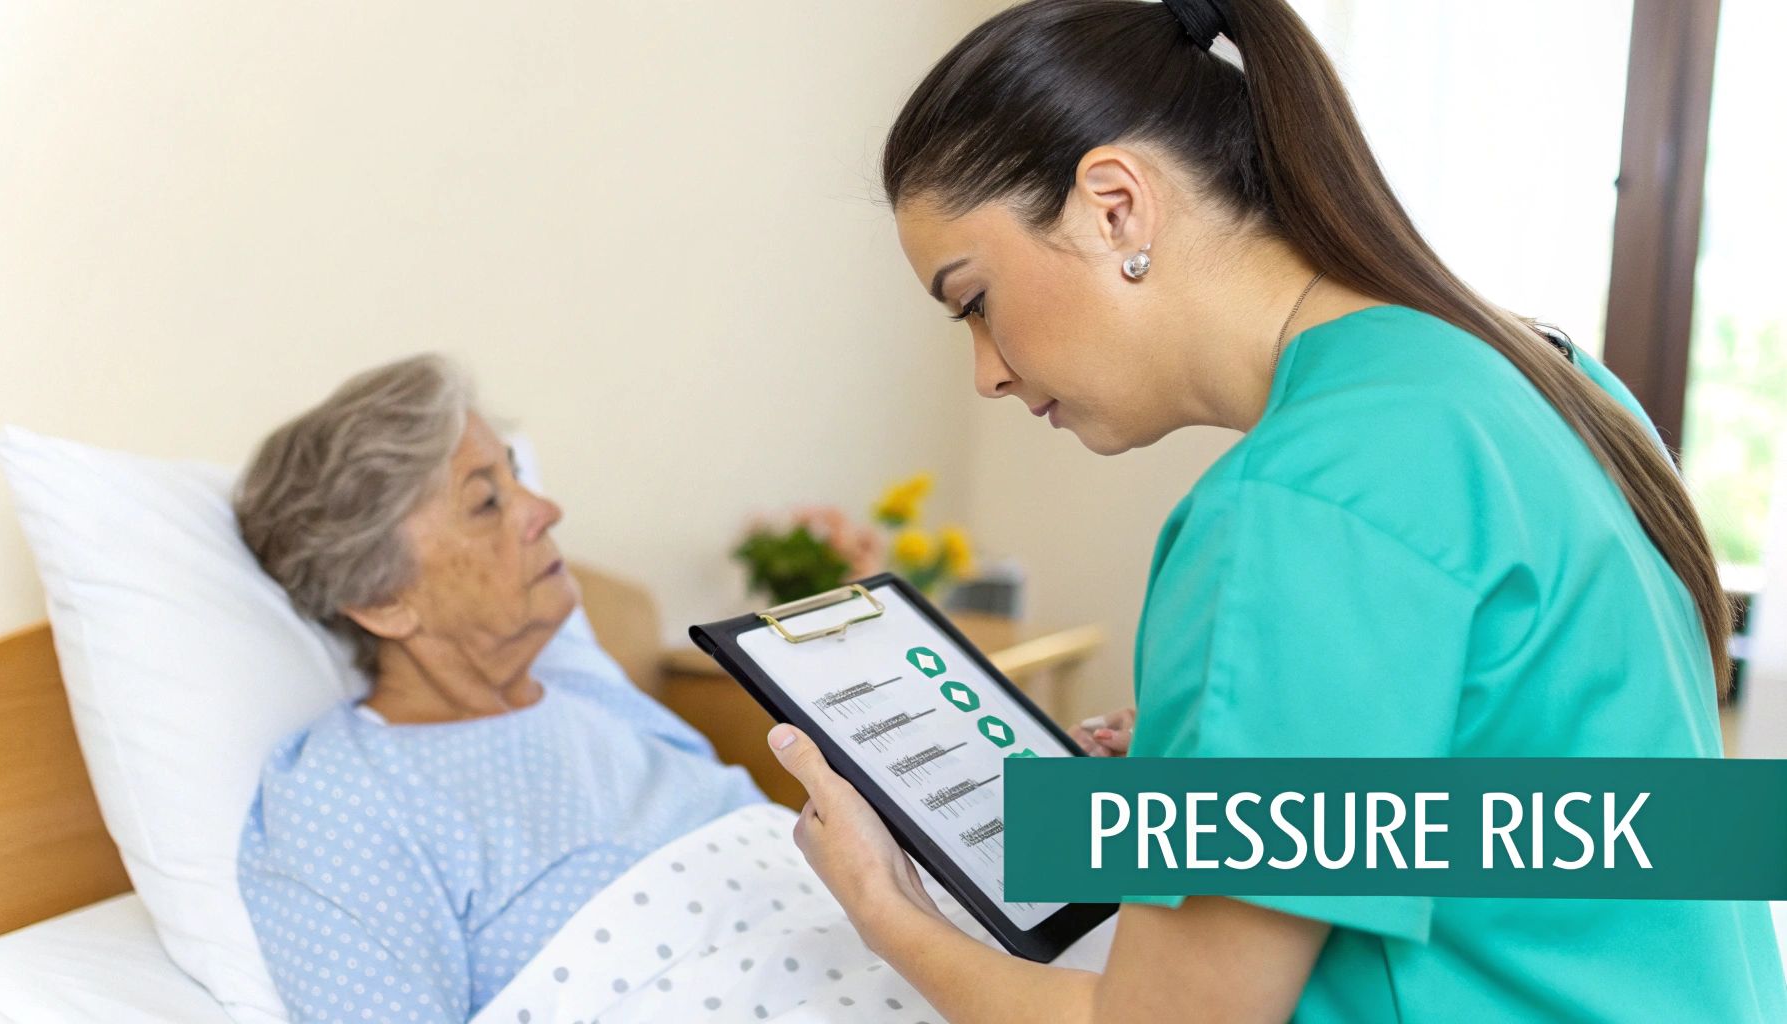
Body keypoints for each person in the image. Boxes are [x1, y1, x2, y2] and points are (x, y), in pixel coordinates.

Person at [764, 1, 1787, 1021]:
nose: (984, 373)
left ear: (1114, 206)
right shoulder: (1549, 375)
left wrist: (884, 906)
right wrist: (1173, 793)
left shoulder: (1298, 502)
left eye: (974, 298)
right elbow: (1635, 826)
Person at [231, 355, 764, 1021]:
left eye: (515, 475)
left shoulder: (592, 698)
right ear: (381, 598)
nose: (546, 508)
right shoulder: (343, 798)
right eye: (487, 501)